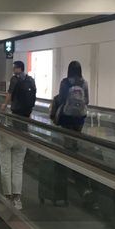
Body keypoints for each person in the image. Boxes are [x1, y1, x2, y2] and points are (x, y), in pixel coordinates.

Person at [48, 60, 90, 205]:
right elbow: (87, 101)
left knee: (63, 155)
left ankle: (61, 196)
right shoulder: (84, 83)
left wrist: (55, 114)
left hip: (65, 120)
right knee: (75, 151)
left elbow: (61, 99)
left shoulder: (65, 82)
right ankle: (84, 190)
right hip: (79, 121)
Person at [0, 59, 37, 209]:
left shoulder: (14, 79)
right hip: (25, 120)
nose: (13, 70)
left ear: (18, 68)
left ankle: (7, 197)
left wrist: (3, 106)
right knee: (18, 166)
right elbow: (32, 100)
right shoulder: (31, 80)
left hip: (14, 118)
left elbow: (9, 95)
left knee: (6, 166)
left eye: (14, 68)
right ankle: (17, 198)